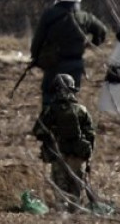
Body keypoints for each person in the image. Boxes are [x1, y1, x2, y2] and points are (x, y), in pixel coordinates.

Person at [29, 0, 107, 107]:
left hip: (55, 63)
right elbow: (102, 30)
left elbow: (38, 39)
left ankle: (49, 123)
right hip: (76, 64)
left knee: (50, 93)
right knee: (70, 96)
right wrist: (93, 43)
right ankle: (68, 122)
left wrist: (35, 57)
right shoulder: (85, 17)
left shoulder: (49, 14)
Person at [31, 73, 95, 213]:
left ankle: (62, 216)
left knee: (60, 189)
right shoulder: (82, 110)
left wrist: (51, 136)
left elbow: (38, 131)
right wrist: (87, 154)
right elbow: (90, 135)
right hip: (77, 157)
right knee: (76, 190)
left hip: (58, 155)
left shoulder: (50, 110)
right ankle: (75, 213)